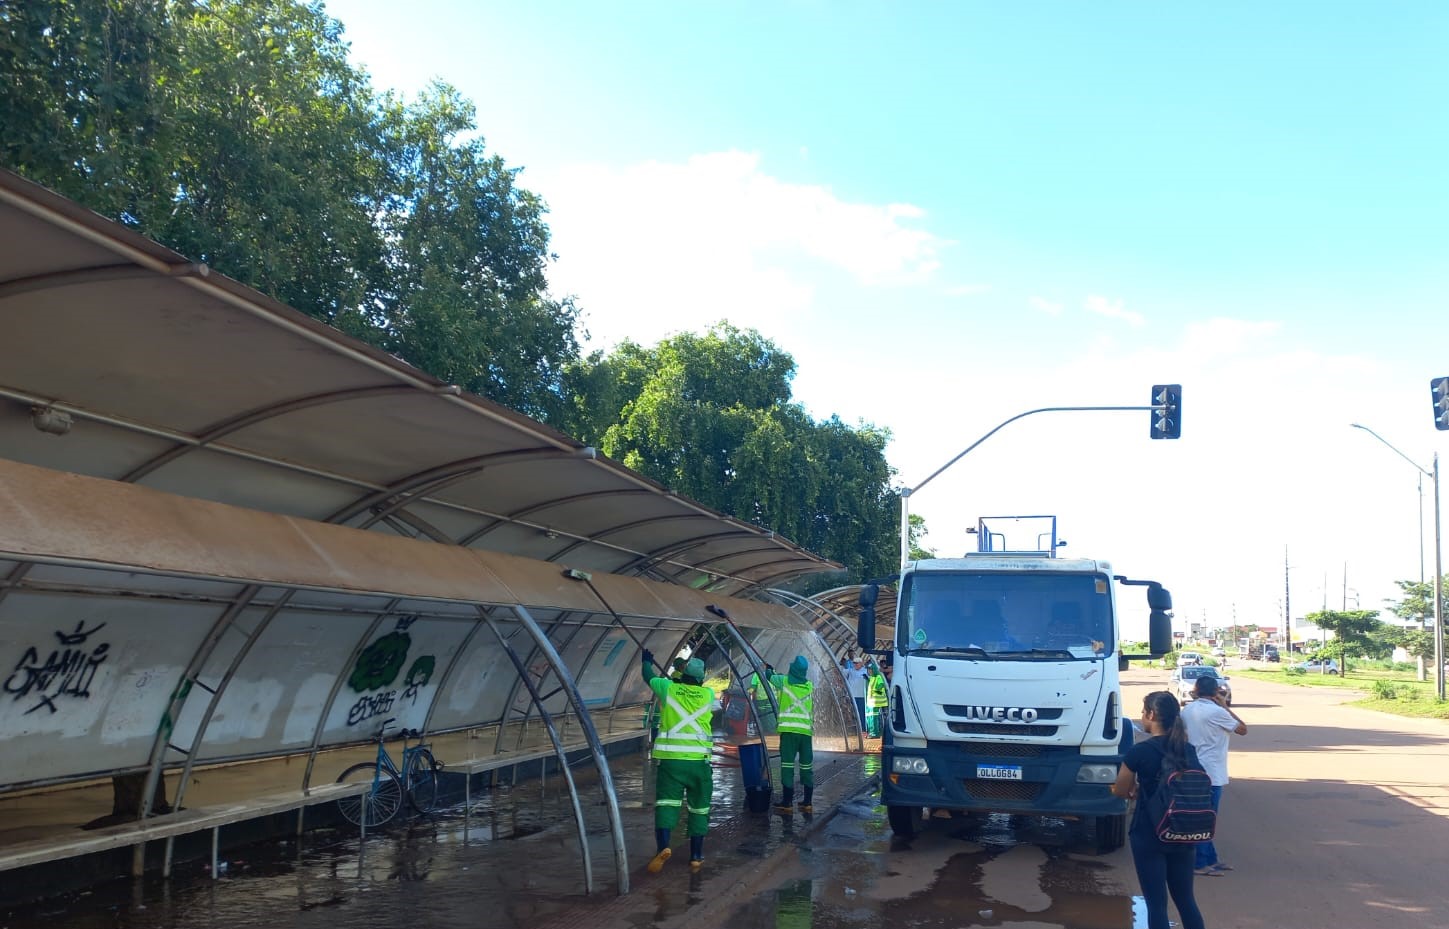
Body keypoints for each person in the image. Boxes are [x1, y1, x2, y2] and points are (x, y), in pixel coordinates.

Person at [1111, 691, 1207, 929]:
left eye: (1144, 712)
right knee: (1186, 900)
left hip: (1150, 833)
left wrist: (1120, 789)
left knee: (1156, 904)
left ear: (1152, 714)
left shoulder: (1139, 752)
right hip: (1184, 831)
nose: (1142, 717)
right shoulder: (1188, 749)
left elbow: (1122, 789)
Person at [641, 649, 714, 873]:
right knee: (699, 809)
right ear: (701, 679)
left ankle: (663, 847)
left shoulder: (668, 688)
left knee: (666, 805)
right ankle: (696, 857)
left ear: (682, 675)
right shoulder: (708, 695)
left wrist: (646, 661)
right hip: (699, 764)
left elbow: (648, 676)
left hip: (672, 763)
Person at [1180, 673, 1247, 876]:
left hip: (1193, 769)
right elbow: (1243, 729)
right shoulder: (1218, 712)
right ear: (1217, 692)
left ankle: (1211, 859)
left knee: (1203, 817)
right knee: (1207, 819)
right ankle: (1200, 863)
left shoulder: (1187, 710)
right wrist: (1225, 705)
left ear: (1196, 690)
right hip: (1212, 772)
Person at [770, 655, 815, 814]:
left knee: (787, 765)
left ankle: (787, 802)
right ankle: (808, 802)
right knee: (806, 765)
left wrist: (769, 669)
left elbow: (769, 676)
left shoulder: (783, 681)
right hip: (805, 733)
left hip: (789, 732)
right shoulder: (810, 685)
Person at [843, 655, 868, 732]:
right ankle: (856, 728)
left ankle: (863, 728)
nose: (855, 665)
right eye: (854, 663)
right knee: (853, 713)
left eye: (857, 663)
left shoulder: (865, 671)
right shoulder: (850, 670)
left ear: (861, 663)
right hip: (852, 696)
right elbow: (839, 672)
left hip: (861, 696)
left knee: (861, 713)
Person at [865, 661, 888, 738]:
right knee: (870, 716)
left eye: (870, 670)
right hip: (871, 701)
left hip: (876, 701)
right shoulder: (872, 678)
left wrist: (877, 689)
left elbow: (882, 685)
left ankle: (875, 733)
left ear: (874, 670)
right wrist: (867, 680)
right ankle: (872, 732)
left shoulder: (878, 677)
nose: (869, 671)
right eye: (868, 670)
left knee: (874, 717)